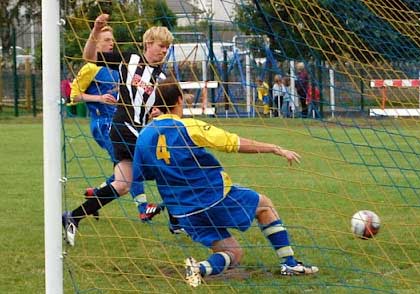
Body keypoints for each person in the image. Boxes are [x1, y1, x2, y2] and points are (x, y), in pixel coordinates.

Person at [131, 78, 319, 287]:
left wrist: (142, 205)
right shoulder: (189, 126)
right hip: (213, 197)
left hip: (184, 213)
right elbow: (233, 143)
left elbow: (137, 176)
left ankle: (199, 268)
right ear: (179, 100)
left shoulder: (144, 136)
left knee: (233, 253)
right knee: (264, 205)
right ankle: (290, 264)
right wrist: (274, 148)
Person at [62, 13, 174, 247]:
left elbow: (167, 109)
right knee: (167, 167)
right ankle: (178, 219)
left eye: (167, 48)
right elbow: (89, 57)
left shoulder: (163, 77)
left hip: (140, 131)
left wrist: (159, 114)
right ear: (148, 44)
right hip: (124, 128)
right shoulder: (129, 59)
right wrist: (95, 30)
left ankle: (73, 217)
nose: (164, 51)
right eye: (160, 46)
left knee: (122, 185)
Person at [69, 25, 118, 196]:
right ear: (96, 44)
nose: (111, 43)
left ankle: (96, 194)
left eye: (112, 40)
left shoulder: (115, 66)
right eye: (106, 40)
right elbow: (74, 96)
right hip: (103, 123)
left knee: (126, 168)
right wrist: (99, 98)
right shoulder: (90, 67)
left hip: (119, 122)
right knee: (126, 164)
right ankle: (143, 208)